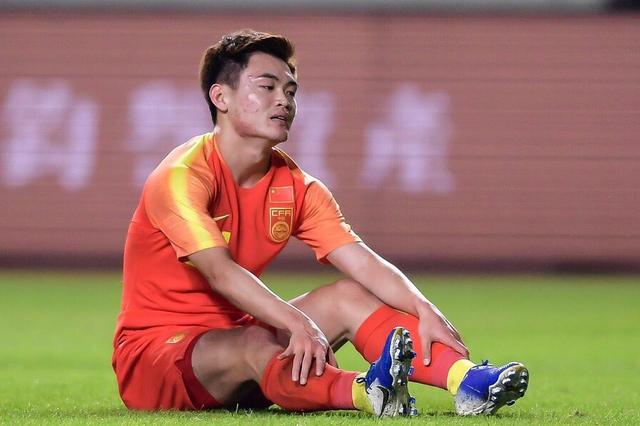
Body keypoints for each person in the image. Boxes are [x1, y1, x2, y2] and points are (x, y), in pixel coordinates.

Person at [111, 29, 528, 417]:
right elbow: (219, 272)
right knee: (257, 340)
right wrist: (295, 321)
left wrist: (422, 307)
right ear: (221, 97)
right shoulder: (180, 177)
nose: (284, 101)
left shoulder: (296, 186)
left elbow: (361, 261)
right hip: (155, 358)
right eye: (267, 87)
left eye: (291, 91)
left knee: (347, 295)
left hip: (242, 341)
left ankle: (468, 382)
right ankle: (369, 393)